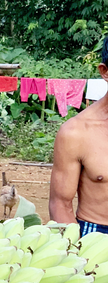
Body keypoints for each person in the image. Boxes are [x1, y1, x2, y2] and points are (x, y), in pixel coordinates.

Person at [49, 37, 108, 234]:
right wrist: (78, 251)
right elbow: (60, 204)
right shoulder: (76, 132)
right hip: (96, 235)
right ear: (105, 72)